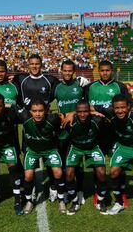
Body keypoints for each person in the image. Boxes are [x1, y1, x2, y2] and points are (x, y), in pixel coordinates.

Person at [12, 54, 88, 202]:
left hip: (48, 125)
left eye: (37, 64)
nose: (34, 66)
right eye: (32, 64)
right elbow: (6, 85)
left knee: (52, 158)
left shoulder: (50, 80)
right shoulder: (20, 79)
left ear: (41, 65)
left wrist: (81, 81)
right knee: (30, 161)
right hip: (29, 126)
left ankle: (57, 187)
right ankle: (32, 189)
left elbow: (66, 85)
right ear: (28, 65)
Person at [84, 60, 133, 207]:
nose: (105, 73)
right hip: (96, 132)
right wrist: (93, 111)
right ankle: (99, 192)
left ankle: (121, 192)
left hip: (116, 133)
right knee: (98, 165)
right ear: (98, 71)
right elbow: (84, 107)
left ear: (111, 70)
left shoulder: (119, 86)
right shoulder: (90, 87)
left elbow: (130, 106)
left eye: (107, 70)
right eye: (102, 70)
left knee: (118, 164)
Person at [21, 100, 66, 214]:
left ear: (45, 111)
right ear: (30, 112)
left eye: (40, 111)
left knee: (58, 173)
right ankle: (29, 201)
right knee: (28, 175)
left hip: (50, 150)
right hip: (33, 150)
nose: (37, 114)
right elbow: (8, 108)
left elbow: (65, 118)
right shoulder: (25, 118)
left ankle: (61, 200)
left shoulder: (53, 119)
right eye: (34, 111)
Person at [64, 100, 107, 215]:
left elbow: (109, 114)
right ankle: (74, 202)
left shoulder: (98, 120)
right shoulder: (70, 122)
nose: (82, 114)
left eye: (85, 111)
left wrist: (94, 113)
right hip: (76, 147)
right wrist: (71, 114)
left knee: (102, 172)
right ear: (76, 112)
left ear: (90, 111)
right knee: (69, 174)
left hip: (93, 147)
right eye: (79, 112)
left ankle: (101, 201)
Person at [53, 60, 85, 205]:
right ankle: (66, 190)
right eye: (64, 70)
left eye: (69, 71)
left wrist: (73, 112)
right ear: (61, 71)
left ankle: (80, 191)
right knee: (65, 164)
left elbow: (89, 105)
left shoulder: (80, 85)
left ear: (74, 72)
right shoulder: (56, 88)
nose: (67, 73)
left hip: (78, 129)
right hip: (62, 132)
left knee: (78, 163)